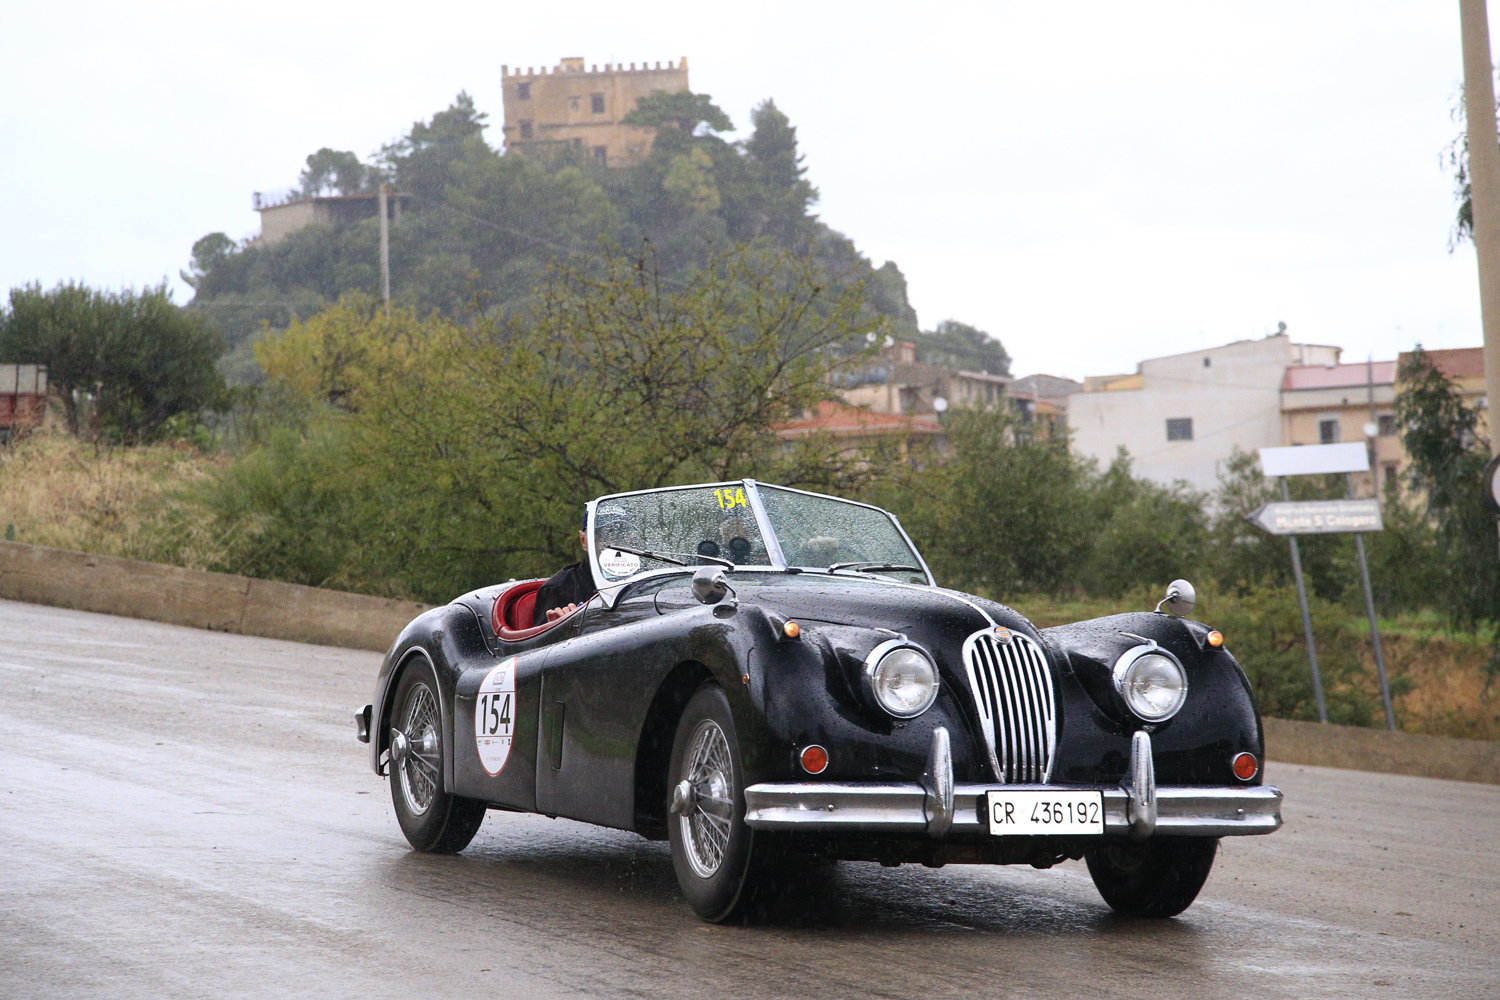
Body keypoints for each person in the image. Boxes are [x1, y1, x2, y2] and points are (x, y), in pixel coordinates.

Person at [531, 512, 598, 627]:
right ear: (584, 540)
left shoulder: (638, 582)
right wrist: (559, 627)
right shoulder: (558, 588)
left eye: (621, 535)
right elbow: (539, 642)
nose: (611, 544)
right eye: (600, 536)